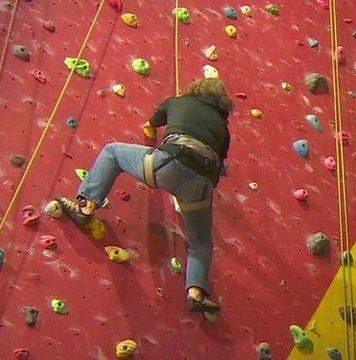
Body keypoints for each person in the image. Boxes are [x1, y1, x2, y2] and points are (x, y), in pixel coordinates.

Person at [56, 78, 233, 314]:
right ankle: (196, 293)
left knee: (112, 153)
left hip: (168, 164)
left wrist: (150, 128)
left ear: (196, 90)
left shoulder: (180, 102)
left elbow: (151, 123)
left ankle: (85, 207)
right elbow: (220, 165)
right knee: (201, 242)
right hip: (201, 185)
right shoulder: (223, 129)